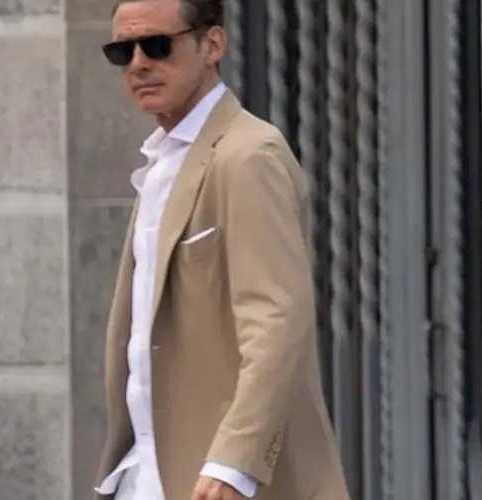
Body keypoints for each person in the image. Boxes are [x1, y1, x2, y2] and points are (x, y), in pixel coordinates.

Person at [93, 1, 349, 499]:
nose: (139, 64)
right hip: (145, 472)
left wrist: (234, 461)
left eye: (157, 46)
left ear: (212, 45)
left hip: (221, 478)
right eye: (123, 51)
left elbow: (277, 320)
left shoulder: (247, 155)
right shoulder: (161, 162)